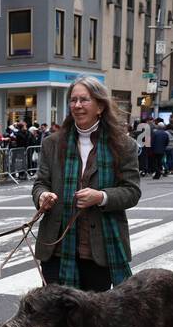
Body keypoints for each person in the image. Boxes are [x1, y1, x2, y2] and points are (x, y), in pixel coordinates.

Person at [32, 75, 140, 293]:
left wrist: (101, 197)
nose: (77, 106)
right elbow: (40, 183)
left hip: (100, 249)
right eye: (73, 100)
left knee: (92, 318)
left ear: (100, 106)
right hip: (56, 248)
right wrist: (42, 196)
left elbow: (132, 191)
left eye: (84, 100)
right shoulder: (52, 143)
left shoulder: (122, 145)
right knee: (56, 317)